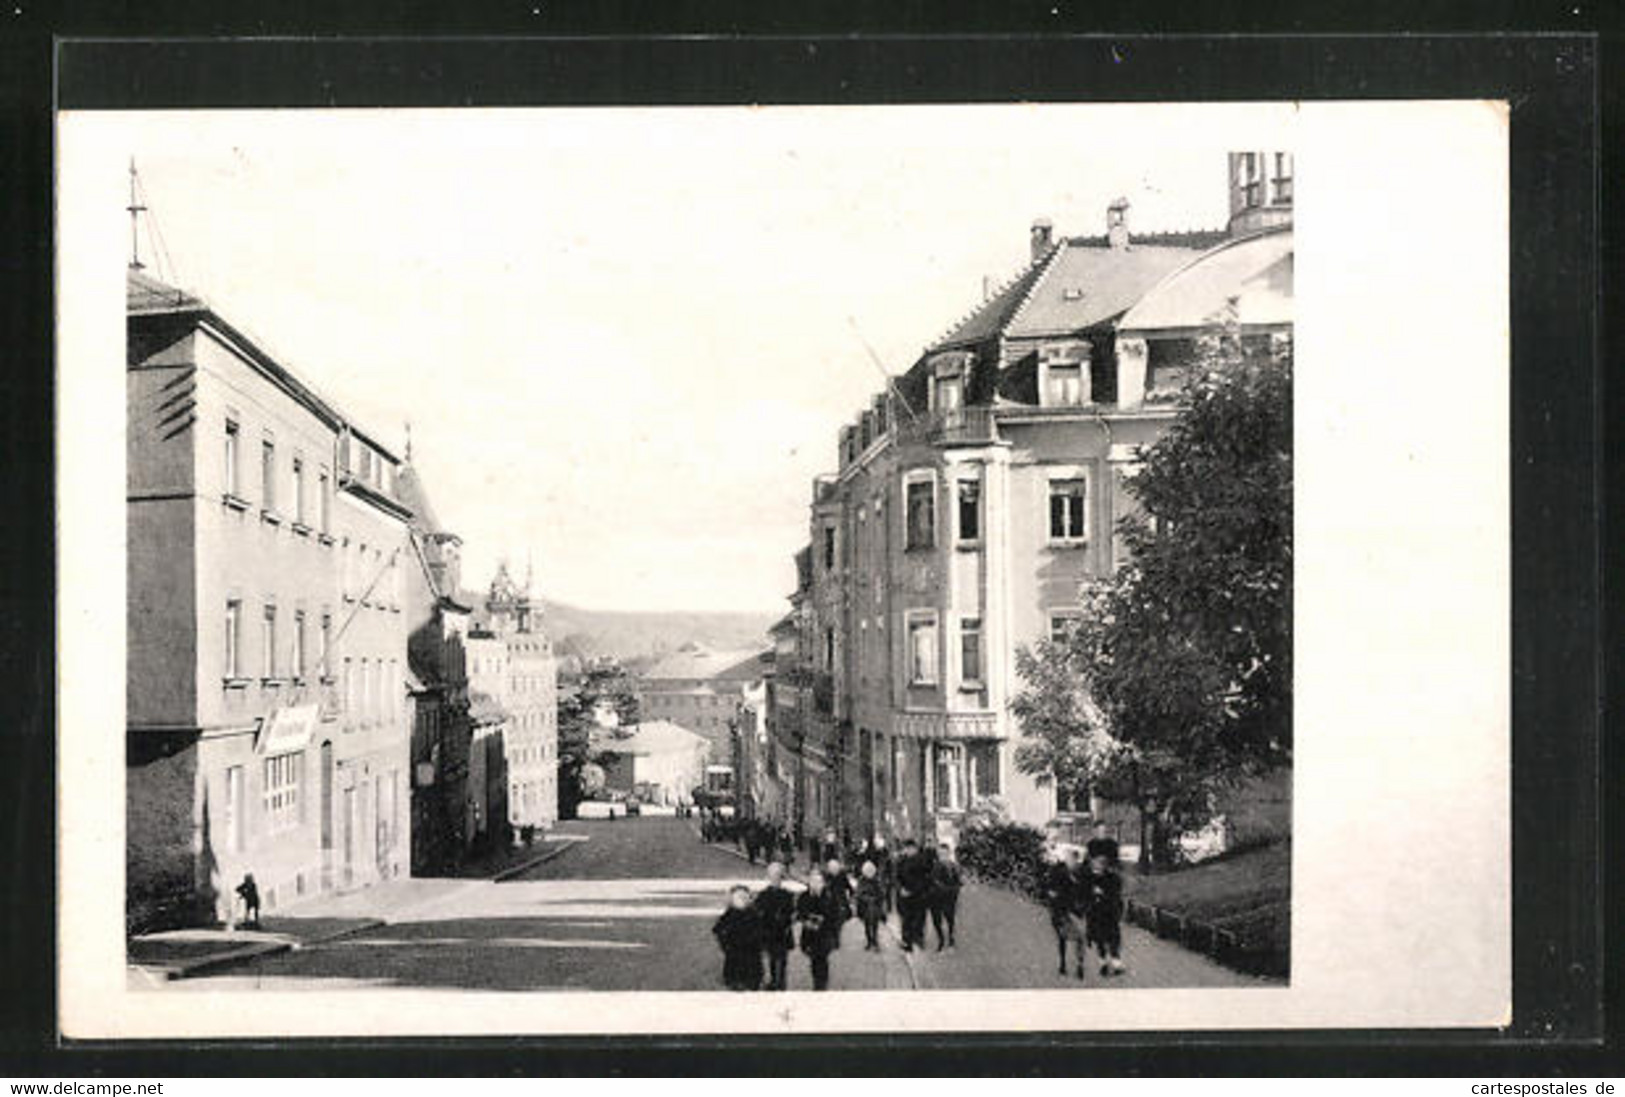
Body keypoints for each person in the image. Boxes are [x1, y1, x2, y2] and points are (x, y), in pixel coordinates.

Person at [1042, 847, 1088, 979]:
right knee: (1067, 937)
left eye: (1074, 860)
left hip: (1072, 912)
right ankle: (1064, 964)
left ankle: (1078, 964)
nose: (1073, 862)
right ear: (1067, 859)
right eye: (1070, 859)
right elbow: (1048, 888)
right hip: (1060, 912)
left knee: (1078, 938)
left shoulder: (1078, 874)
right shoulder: (1058, 872)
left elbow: (1082, 891)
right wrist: (1052, 894)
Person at [796, 867, 843, 990]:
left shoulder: (829, 896)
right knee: (814, 961)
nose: (815, 884)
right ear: (809, 882)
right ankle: (818, 983)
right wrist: (807, 920)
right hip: (809, 935)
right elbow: (800, 913)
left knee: (821, 959)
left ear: (823, 883)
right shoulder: (804, 896)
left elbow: (836, 915)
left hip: (824, 935)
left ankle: (821, 985)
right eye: (813, 881)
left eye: (818, 881)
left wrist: (825, 921)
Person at [752, 861, 797, 991]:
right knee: (772, 958)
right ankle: (774, 981)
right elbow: (757, 913)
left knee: (782, 960)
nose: (775, 879)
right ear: (769, 877)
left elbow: (792, 912)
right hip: (769, 932)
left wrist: (788, 920)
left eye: (778, 876)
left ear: (781, 878)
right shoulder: (763, 895)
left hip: (783, 931)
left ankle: (781, 984)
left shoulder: (787, 895)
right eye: (773, 876)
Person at [712, 884, 764, 991]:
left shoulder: (754, 915)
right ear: (732, 900)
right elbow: (718, 930)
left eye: (745, 897)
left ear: (750, 899)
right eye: (738, 898)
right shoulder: (729, 915)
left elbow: (763, 932)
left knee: (753, 982)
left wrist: (759, 943)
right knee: (735, 982)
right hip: (734, 953)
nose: (742, 900)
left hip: (752, 955)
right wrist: (725, 944)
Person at [1084, 853, 1127, 976]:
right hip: (1096, 913)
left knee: (1112, 938)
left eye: (1099, 865)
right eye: (1095, 865)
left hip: (1108, 913)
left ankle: (1114, 962)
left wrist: (1101, 893)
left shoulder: (1113, 878)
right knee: (1100, 939)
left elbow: (1116, 895)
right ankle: (1103, 963)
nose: (1096, 868)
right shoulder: (1090, 878)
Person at [893, 838, 934, 952]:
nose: (908, 851)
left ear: (915, 849)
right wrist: (901, 889)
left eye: (910, 848)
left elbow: (925, 878)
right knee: (906, 919)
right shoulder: (901, 861)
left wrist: (913, 890)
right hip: (904, 896)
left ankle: (918, 939)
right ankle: (907, 942)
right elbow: (896, 877)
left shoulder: (922, 861)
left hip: (919, 896)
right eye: (906, 848)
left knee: (919, 918)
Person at [928, 842, 962, 951]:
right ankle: (941, 940)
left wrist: (954, 890)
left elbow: (959, 882)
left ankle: (951, 939)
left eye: (945, 854)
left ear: (948, 853)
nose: (943, 856)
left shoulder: (954, 866)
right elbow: (932, 880)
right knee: (937, 921)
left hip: (949, 898)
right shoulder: (934, 866)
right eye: (940, 854)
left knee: (950, 919)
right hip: (935, 898)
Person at [854, 860, 886, 951]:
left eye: (870, 871)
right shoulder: (861, 880)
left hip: (875, 906)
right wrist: (866, 898)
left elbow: (881, 892)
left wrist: (876, 899)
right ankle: (869, 941)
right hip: (865, 906)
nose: (869, 873)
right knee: (867, 925)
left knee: (875, 924)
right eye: (867, 871)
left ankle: (875, 941)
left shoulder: (877, 880)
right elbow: (858, 893)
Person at [823, 857, 853, 931]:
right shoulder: (829, 877)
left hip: (839, 898)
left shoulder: (839, 875)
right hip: (835, 900)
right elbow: (848, 886)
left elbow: (847, 885)